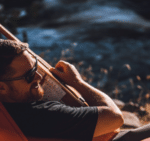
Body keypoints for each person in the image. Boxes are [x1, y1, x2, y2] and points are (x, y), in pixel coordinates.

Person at [0, 39, 149, 141]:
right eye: (29, 75)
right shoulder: (41, 116)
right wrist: (77, 82)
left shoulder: (7, 114)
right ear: (2, 87)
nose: (39, 76)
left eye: (35, 66)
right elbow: (115, 118)